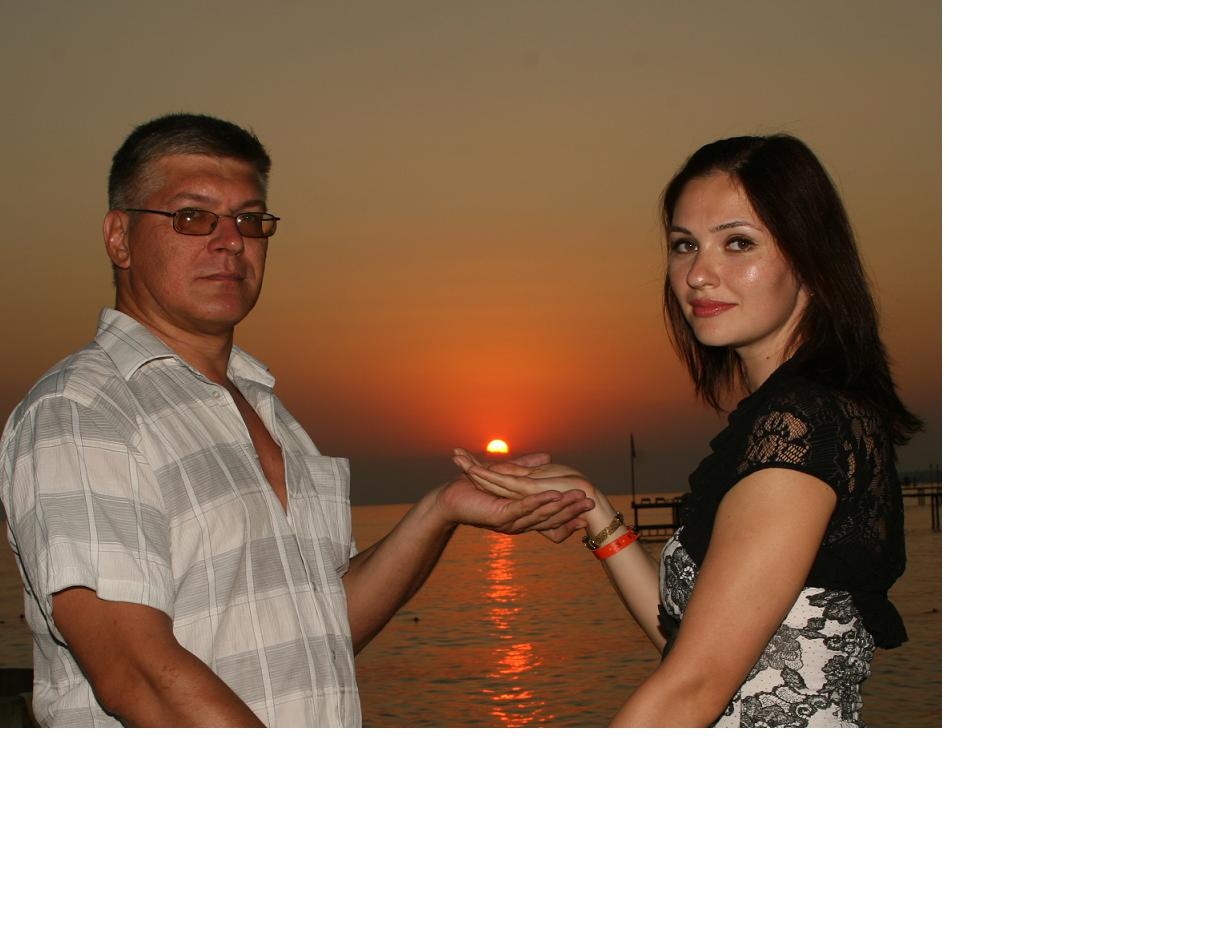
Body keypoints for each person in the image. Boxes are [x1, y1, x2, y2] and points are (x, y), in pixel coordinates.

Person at [0, 113, 591, 727]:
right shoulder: (83, 411)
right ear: (119, 238)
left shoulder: (267, 411)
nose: (231, 241)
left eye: (250, 220)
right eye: (193, 217)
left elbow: (319, 631)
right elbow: (137, 673)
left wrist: (439, 512)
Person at [464, 134, 922, 727]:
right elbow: (696, 648)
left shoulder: (802, 427)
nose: (699, 274)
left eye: (738, 243)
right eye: (685, 245)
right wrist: (595, 511)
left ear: (810, 257)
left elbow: (694, 687)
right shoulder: (793, 416)